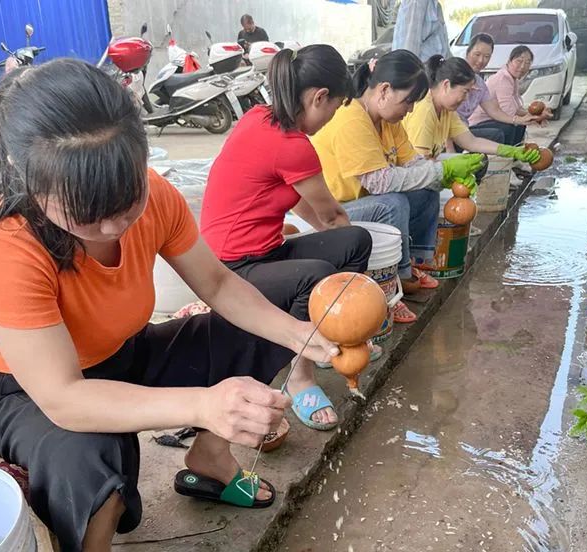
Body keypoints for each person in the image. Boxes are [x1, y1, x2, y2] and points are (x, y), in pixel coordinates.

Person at [0, 59, 340, 552]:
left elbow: (220, 286)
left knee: (273, 311)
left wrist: (298, 335)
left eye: (127, 202)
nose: (115, 227)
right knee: (93, 455)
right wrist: (203, 403)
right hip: (27, 393)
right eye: (88, 215)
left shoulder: (155, 194)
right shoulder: (2, 240)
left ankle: (210, 458)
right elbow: (64, 397)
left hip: (122, 353)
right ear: (24, 177)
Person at [200, 45, 375, 432]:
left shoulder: (262, 118)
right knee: (318, 273)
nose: (332, 117)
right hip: (230, 269)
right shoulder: (292, 144)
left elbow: (304, 205)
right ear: (318, 97)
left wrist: (341, 235)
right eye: (336, 106)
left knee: (355, 242)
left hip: (264, 252)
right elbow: (330, 215)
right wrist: (367, 294)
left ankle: (336, 337)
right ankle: (299, 374)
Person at [311, 50, 483, 324]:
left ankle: (414, 264)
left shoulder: (388, 121)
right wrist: (441, 170)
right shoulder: (352, 119)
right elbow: (379, 183)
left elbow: (414, 163)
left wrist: (442, 175)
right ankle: (397, 283)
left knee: (426, 189)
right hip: (335, 213)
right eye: (408, 102)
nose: (411, 110)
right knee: (394, 202)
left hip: (367, 205)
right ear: (384, 90)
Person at [403, 55, 541, 165]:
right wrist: (451, 168)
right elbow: (419, 164)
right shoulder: (424, 110)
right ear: (446, 85)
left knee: (478, 164)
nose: (466, 98)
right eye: (465, 92)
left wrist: (511, 151)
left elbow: (471, 142)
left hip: (425, 166)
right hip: (411, 173)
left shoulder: (446, 110)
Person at [455, 33, 539, 144]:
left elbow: (494, 110)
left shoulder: (480, 83)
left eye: (486, 57)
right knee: (498, 134)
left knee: (515, 126)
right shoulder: (455, 74)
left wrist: (522, 119)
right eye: (477, 54)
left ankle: (512, 155)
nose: (481, 61)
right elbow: (446, 113)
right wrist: (449, 146)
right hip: (452, 132)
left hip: (463, 129)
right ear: (468, 52)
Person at [468, 45, 552, 146]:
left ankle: (515, 153)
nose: (522, 66)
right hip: (478, 123)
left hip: (493, 119)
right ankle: (509, 154)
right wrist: (535, 118)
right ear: (509, 61)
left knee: (519, 124)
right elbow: (509, 112)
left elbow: (516, 109)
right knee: (511, 126)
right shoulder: (502, 79)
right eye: (519, 61)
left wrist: (537, 115)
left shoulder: (512, 79)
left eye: (527, 63)